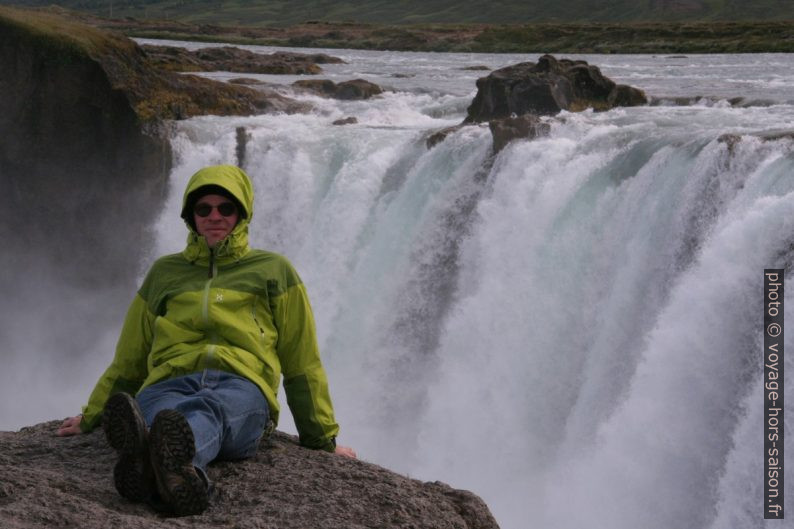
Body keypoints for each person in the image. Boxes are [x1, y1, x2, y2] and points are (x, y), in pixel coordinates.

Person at [57, 164, 355, 515]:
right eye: (204, 209)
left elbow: (301, 360)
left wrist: (320, 439)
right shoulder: (164, 273)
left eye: (226, 208)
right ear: (190, 216)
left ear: (242, 213)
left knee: (208, 410)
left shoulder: (274, 270)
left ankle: (157, 462)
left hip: (243, 386)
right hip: (169, 379)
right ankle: (170, 468)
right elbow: (131, 356)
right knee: (158, 410)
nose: (215, 216)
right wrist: (92, 415)